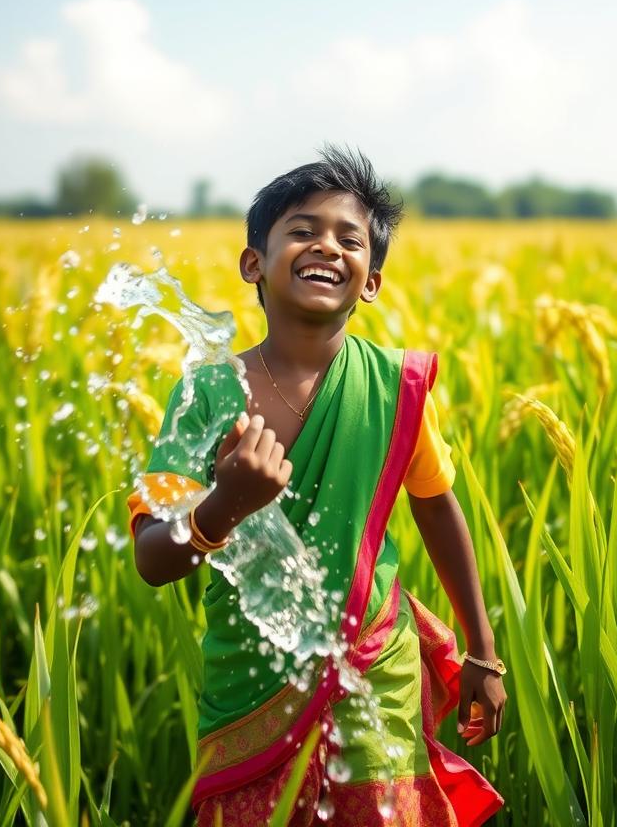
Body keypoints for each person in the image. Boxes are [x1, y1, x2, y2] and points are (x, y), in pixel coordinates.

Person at [126, 145, 507, 825]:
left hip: (372, 667)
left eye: (348, 238)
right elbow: (154, 559)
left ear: (371, 280)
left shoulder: (395, 388)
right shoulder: (206, 395)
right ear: (254, 263)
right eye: (302, 230)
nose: (325, 246)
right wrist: (225, 506)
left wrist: (482, 649)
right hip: (248, 680)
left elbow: (436, 505)